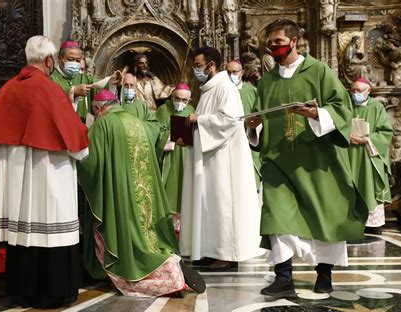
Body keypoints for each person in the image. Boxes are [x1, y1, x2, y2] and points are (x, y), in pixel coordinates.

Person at [246, 19, 368, 297]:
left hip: (317, 160)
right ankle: (283, 276)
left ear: (294, 41)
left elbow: (341, 108)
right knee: (276, 215)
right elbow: (259, 115)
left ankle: (324, 274)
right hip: (278, 161)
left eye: (278, 42)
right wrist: (255, 126)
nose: (273, 47)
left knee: (323, 215)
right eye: (270, 43)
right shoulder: (266, 82)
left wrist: (317, 114)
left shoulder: (320, 71)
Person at [0, 35, 89, 308]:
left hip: (17, 179)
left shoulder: (6, 90)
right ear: (50, 60)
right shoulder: (50, 91)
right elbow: (75, 142)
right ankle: (54, 292)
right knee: (49, 226)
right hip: (48, 175)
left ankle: (23, 291)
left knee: (24, 231)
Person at [78, 90, 205, 297]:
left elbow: (90, 162)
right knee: (149, 237)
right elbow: (157, 137)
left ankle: (168, 276)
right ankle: (171, 263)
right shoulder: (138, 122)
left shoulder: (103, 124)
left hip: (118, 195)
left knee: (122, 239)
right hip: (144, 194)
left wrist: (76, 164)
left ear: (98, 109)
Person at [179, 46, 263, 271]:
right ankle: (209, 250)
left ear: (211, 65)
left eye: (198, 65)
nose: (195, 70)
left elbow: (229, 121)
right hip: (209, 157)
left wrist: (200, 120)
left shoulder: (225, 87)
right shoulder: (209, 89)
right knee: (208, 205)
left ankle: (226, 255)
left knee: (221, 204)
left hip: (222, 160)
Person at [348, 77, 393, 235]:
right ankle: (352, 221)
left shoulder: (376, 107)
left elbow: (386, 132)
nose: (355, 93)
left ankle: (372, 224)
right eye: (353, 90)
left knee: (369, 184)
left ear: (369, 91)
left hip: (369, 155)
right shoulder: (347, 106)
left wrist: (367, 139)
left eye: (359, 91)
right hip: (350, 154)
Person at [156, 83, 196, 232]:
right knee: (170, 191)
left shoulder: (191, 111)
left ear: (189, 100)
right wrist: (171, 138)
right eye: (177, 98)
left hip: (187, 156)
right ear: (172, 96)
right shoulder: (163, 111)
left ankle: (183, 229)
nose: (180, 102)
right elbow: (157, 131)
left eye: (184, 100)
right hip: (170, 157)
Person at [226, 59, 262, 189]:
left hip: (248, 139)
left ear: (241, 72)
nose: (231, 75)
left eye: (234, 72)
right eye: (228, 72)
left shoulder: (251, 91)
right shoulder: (221, 90)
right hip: (228, 140)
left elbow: (260, 114)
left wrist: (251, 126)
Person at [50, 41, 95, 122]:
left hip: (80, 126)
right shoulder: (51, 78)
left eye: (78, 60)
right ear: (60, 59)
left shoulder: (84, 78)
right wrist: (73, 91)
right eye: (71, 59)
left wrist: (113, 80)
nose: (74, 63)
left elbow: (101, 87)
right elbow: (50, 101)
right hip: (61, 126)